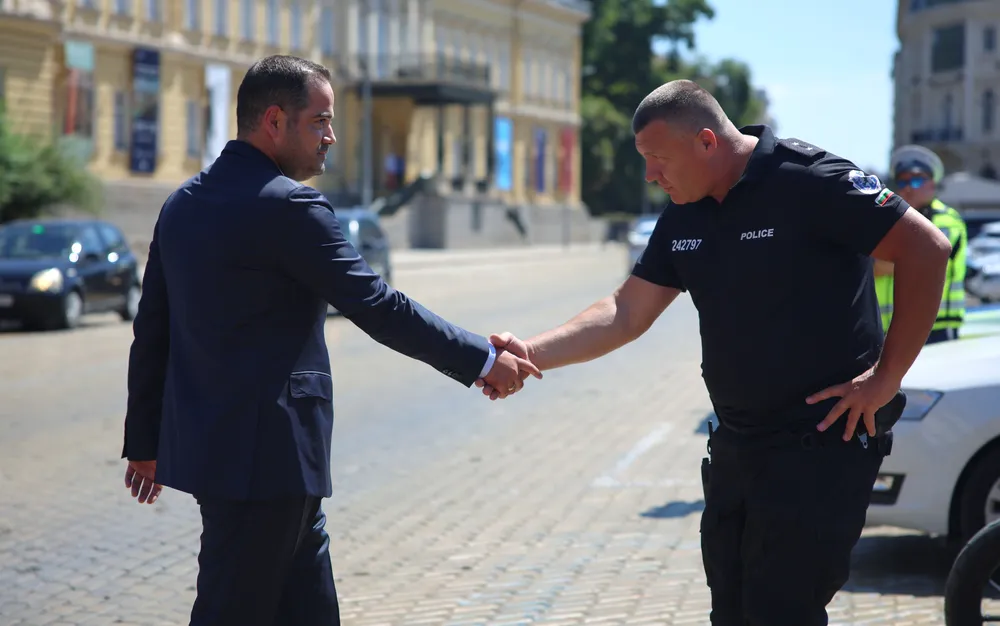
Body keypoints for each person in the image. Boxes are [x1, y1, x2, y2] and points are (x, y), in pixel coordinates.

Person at [478, 80, 952, 625]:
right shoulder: (685, 212)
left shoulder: (808, 180)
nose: (651, 175)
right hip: (738, 447)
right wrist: (529, 352)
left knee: (781, 611)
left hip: (822, 445)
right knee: (732, 610)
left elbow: (927, 249)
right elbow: (626, 312)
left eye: (658, 159)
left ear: (706, 141)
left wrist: (885, 378)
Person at [120, 54, 540, 626]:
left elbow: (153, 332)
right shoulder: (290, 206)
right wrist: (483, 359)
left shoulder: (181, 205)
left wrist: (144, 441)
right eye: (320, 121)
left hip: (231, 461)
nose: (331, 137)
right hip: (270, 462)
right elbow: (376, 305)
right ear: (274, 121)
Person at [875, 144, 967, 343]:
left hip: (936, 329)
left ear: (933, 184)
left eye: (917, 180)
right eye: (903, 181)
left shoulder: (947, 220)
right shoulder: (886, 218)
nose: (908, 187)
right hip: (890, 330)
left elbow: (900, 264)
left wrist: (878, 259)